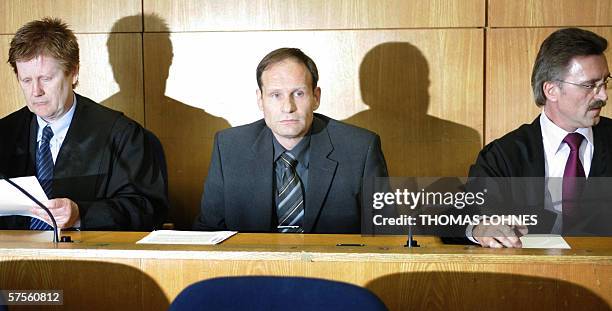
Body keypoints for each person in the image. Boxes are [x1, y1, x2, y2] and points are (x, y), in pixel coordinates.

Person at [194, 48, 388, 233]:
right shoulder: (229, 148)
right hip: (252, 268)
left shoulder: (361, 149)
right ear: (260, 100)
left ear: (316, 97)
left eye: (298, 93)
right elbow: (208, 232)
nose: (288, 107)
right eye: (275, 95)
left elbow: (384, 235)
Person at [0, 18, 168, 230]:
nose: (36, 91)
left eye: (46, 79)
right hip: (13, 259)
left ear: (74, 72)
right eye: (26, 80)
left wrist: (82, 214)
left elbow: (148, 208)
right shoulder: (4, 134)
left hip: (91, 258)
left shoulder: (121, 134)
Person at [468, 28, 610, 248]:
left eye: (605, 82)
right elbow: (467, 214)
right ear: (551, 90)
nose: (603, 96)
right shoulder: (503, 154)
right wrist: (480, 228)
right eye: (590, 85)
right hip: (529, 278)